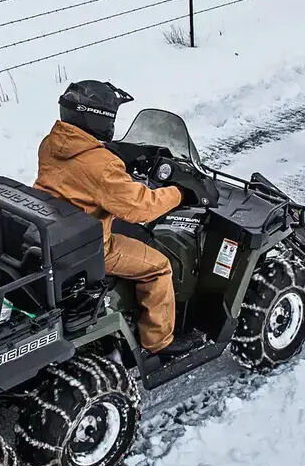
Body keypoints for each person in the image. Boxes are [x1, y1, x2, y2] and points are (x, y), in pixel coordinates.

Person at [34, 80, 201, 358]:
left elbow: (82, 170)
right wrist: (181, 193)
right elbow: (141, 208)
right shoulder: (101, 165)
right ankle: (160, 341)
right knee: (158, 266)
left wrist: (116, 155)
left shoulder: (52, 143)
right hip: (93, 247)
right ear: (98, 118)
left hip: (57, 228)